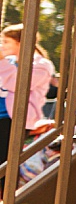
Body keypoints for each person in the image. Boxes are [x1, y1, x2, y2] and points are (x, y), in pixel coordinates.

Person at [0, 24, 55, 165]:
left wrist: (2, 62)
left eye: (6, 41)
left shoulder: (41, 65)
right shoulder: (9, 62)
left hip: (13, 118)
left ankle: (4, 186)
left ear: (20, 42)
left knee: (4, 160)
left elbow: (19, 84)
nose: (2, 45)